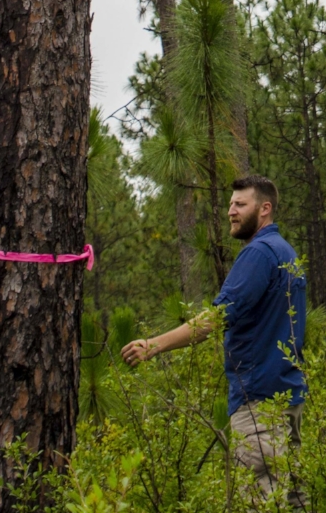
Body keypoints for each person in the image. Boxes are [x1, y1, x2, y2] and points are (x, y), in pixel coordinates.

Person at [121, 174, 307, 506]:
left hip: (260, 407)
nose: (230, 211)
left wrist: (154, 345)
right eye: (230, 204)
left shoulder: (260, 254)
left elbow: (217, 318)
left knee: (261, 501)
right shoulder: (286, 253)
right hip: (288, 402)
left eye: (240, 204)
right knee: (294, 501)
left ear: (265, 209)